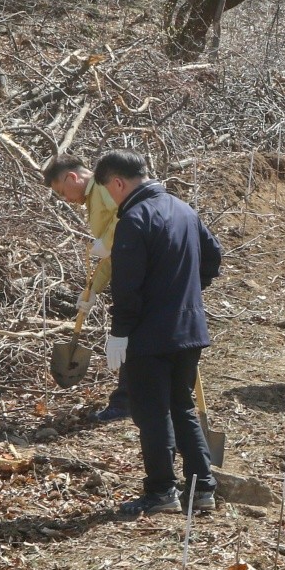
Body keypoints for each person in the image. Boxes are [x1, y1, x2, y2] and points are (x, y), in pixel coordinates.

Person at [97, 150, 224, 517]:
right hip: (188, 328)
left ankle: (162, 491)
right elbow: (213, 257)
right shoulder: (183, 209)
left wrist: (119, 332)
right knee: (181, 405)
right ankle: (202, 488)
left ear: (118, 183)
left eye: (108, 190)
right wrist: (186, 292)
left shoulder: (135, 218)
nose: (110, 197)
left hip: (149, 333)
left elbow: (127, 287)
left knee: (152, 413)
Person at [44, 156, 129, 421]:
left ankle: (125, 402)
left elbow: (126, 216)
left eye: (61, 192)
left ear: (72, 178)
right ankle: (128, 399)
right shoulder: (93, 198)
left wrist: (109, 240)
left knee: (134, 338)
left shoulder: (103, 188)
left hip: (141, 271)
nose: (66, 200)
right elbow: (111, 256)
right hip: (126, 269)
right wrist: (93, 291)